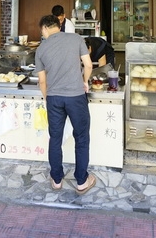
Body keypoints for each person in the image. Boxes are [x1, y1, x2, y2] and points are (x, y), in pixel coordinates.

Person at [35, 14, 97, 194]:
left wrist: (48, 98)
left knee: (55, 138)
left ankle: (56, 180)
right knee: (82, 137)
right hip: (76, 96)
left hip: (54, 98)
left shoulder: (41, 48)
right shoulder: (76, 39)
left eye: (42, 31)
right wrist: (84, 81)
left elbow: (42, 81)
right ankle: (81, 182)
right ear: (58, 25)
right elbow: (88, 65)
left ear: (45, 29)